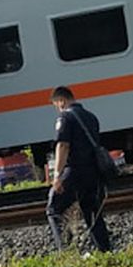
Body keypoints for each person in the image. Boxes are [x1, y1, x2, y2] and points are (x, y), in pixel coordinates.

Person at [46, 85, 111, 254]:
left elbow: (63, 146)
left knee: (53, 209)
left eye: (56, 105)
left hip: (74, 171)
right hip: (93, 171)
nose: (57, 109)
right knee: (92, 211)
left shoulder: (65, 118)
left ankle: (65, 250)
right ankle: (105, 250)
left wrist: (57, 176)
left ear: (61, 101)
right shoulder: (91, 117)